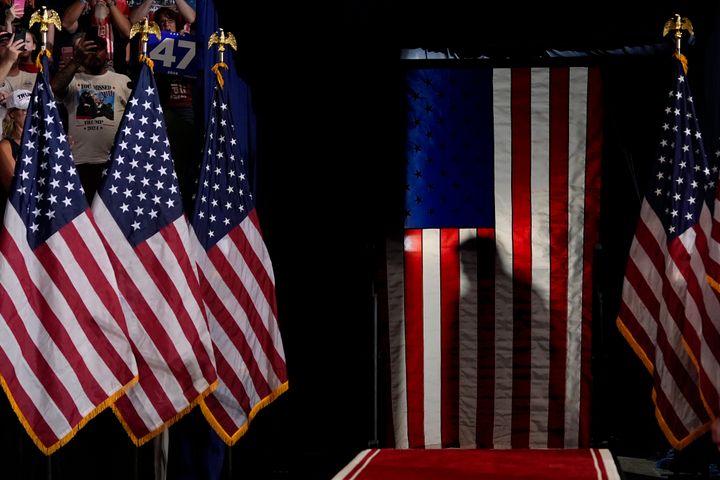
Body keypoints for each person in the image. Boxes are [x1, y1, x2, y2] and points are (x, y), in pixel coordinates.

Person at [50, 28, 131, 200]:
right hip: (79, 161)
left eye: (98, 49)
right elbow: (55, 87)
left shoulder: (123, 80)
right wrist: (76, 59)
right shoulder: (73, 80)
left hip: (114, 161)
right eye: (88, 51)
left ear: (107, 54)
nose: (94, 54)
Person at [60, 0, 131, 73]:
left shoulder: (116, 24)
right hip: (85, 78)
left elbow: (127, 32)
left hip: (113, 77)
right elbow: (66, 23)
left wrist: (109, 2)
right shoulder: (83, 20)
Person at [0, 87, 28, 192]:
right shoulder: (5, 146)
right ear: (12, 114)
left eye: (33, 109)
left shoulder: (42, 142)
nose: (30, 113)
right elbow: (14, 188)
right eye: (24, 109)